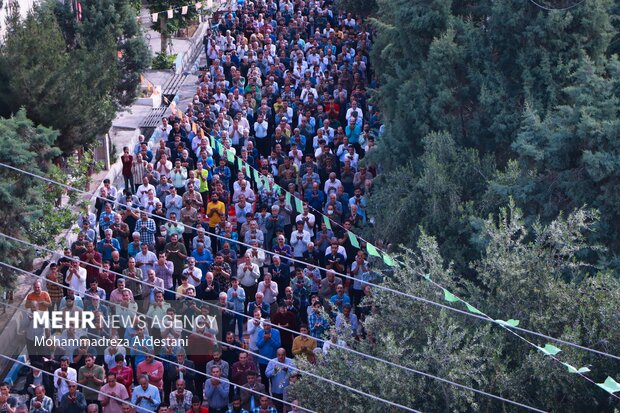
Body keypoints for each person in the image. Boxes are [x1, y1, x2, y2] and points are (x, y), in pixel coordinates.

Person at [265, 348, 295, 413]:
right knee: (278, 409)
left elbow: (296, 373)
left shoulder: (291, 361)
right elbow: (267, 374)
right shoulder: (272, 362)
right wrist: (275, 371)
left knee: (289, 409)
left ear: (285, 354)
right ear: (276, 355)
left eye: (282, 355)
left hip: (288, 391)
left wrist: (288, 370)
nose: (280, 357)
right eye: (279, 355)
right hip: (276, 391)